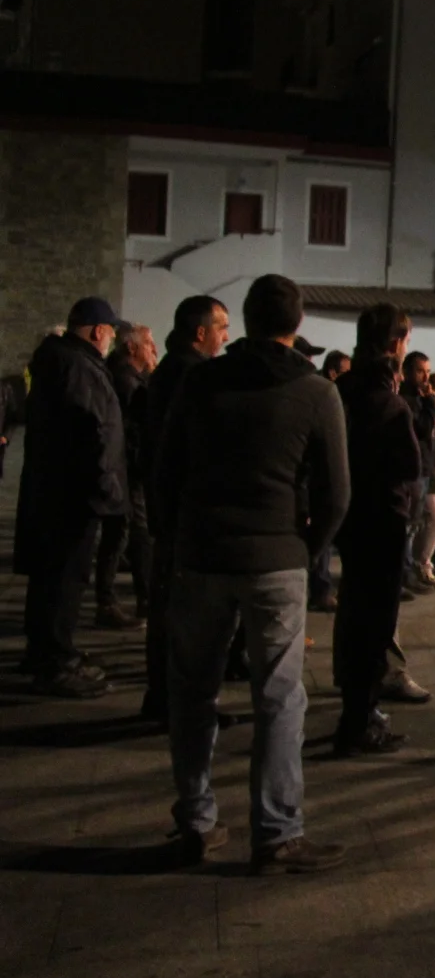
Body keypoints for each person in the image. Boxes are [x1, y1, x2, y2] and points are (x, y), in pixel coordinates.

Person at [153, 274, 347, 873]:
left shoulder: (200, 381)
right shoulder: (316, 392)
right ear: (297, 322)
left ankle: (196, 818)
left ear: (245, 318)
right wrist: (305, 548)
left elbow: (164, 468)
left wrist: (175, 539)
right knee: (279, 696)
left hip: (202, 554)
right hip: (275, 557)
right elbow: (337, 492)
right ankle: (277, 832)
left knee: (193, 690)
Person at [17, 297, 127, 697]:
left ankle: (45, 653)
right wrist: (107, 489)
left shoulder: (61, 360)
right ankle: (56, 664)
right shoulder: (78, 366)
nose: (112, 340)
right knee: (64, 581)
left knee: (50, 579)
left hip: (57, 490)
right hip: (73, 496)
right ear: (98, 331)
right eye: (111, 332)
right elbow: (93, 430)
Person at [332, 305, 423, 756]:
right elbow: (410, 464)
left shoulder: (343, 389)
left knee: (353, 612)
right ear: (395, 344)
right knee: (374, 623)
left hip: (349, 516)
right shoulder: (387, 401)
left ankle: (359, 709)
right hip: (382, 518)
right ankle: (360, 719)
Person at [142, 296, 231, 719]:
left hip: (171, 511)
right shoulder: (192, 377)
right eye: (221, 327)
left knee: (172, 612)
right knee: (185, 617)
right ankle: (177, 703)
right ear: (201, 332)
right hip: (185, 514)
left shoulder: (171, 371)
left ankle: (167, 698)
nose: (226, 337)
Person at [94, 322, 158, 629]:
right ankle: (128, 600)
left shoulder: (125, 376)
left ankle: (113, 599)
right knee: (131, 532)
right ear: (131, 347)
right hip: (127, 468)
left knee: (122, 533)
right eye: (147, 344)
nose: (153, 349)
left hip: (124, 467)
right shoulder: (125, 381)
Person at [410, 372, 435, 587]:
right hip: (431, 473)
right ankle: (422, 563)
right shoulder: (429, 413)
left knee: (430, 521)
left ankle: (421, 563)